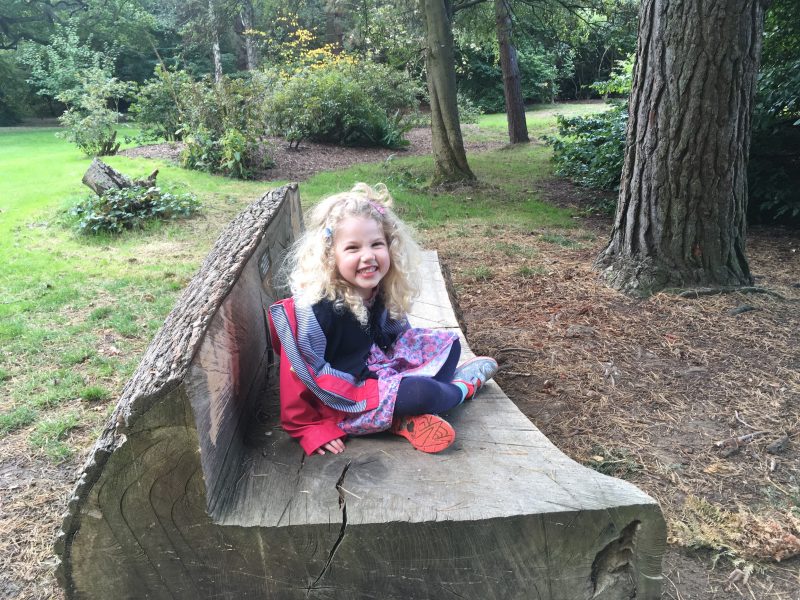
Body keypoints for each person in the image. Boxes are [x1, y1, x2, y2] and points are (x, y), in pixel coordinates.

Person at [267, 183, 498, 456]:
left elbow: (395, 334)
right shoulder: (317, 308)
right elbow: (297, 372)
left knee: (449, 345)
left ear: (390, 246)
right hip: (345, 398)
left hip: (376, 368)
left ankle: (401, 417)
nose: (368, 256)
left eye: (376, 244)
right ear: (330, 256)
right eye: (352, 248)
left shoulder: (376, 288)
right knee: (423, 393)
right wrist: (308, 428)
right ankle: (461, 388)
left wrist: (406, 359)